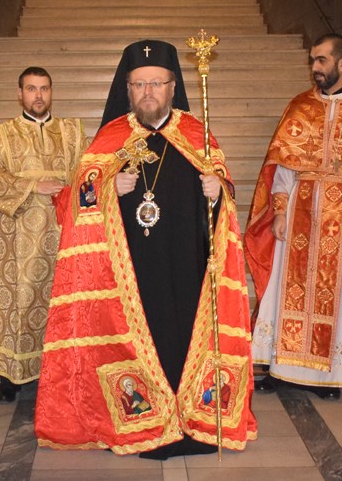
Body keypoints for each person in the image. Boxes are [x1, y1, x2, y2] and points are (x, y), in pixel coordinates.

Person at [34, 39, 257, 459]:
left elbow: (224, 199)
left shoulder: (197, 134)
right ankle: (143, 419)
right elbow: (73, 203)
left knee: (183, 338)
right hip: (129, 274)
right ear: (127, 89)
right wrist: (106, 188)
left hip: (187, 267)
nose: (148, 92)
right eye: (139, 84)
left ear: (173, 87)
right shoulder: (111, 137)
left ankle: (191, 417)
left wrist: (219, 192)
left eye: (157, 83)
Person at [244, 33, 342, 400]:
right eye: (313, 60)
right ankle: (281, 370)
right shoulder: (300, 105)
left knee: (338, 294)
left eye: (322, 60)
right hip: (300, 209)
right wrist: (280, 211)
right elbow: (282, 166)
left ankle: (329, 376)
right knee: (287, 290)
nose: (315, 67)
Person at [0, 66, 87, 403]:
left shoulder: (72, 132)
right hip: (19, 233)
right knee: (20, 300)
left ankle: (61, 370)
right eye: (31, 89)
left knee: (60, 299)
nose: (38, 96)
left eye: (44, 89)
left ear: (51, 92)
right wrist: (32, 186)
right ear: (19, 93)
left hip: (62, 229)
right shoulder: (1, 134)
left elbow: (87, 174)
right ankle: (11, 375)